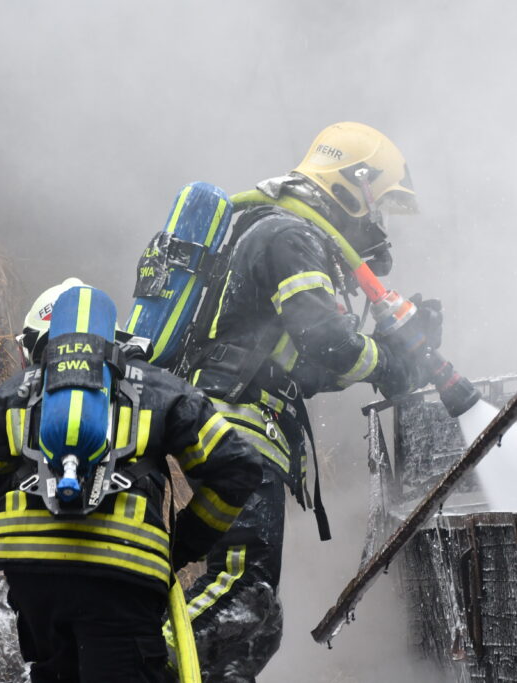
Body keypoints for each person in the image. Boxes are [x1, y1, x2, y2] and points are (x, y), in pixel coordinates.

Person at [176, 122, 439, 681]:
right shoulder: (288, 235)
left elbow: (308, 367)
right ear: (352, 185)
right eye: (377, 204)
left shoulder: (283, 234)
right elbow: (328, 340)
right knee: (241, 595)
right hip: (237, 428)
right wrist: (390, 361)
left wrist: (389, 357)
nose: (377, 222)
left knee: (255, 624)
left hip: (243, 425)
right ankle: (124, 662)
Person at [0, 278, 262, 683]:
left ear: (33, 345)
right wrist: (180, 547)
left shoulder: (10, 394)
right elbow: (238, 467)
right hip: (121, 575)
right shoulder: (161, 388)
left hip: (32, 580)